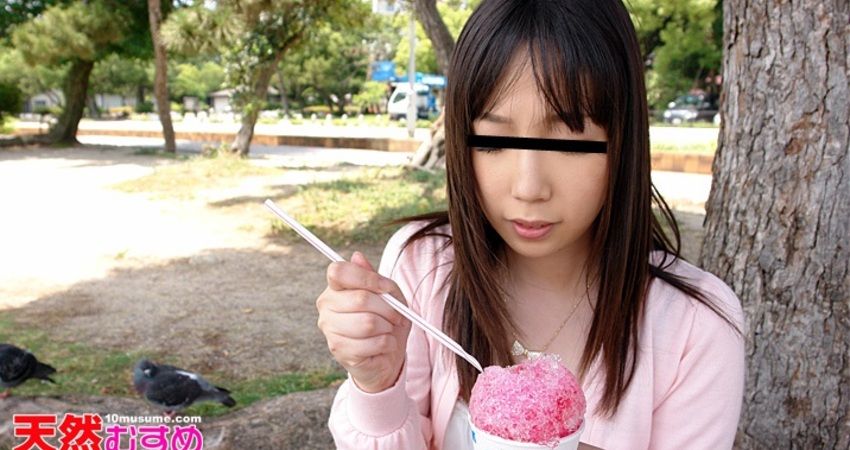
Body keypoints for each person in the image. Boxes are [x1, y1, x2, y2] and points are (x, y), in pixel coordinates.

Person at [315, 0, 745, 448]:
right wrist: (378, 385)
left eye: (569, 141)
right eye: (494, 140)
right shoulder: (424, 266)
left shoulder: (696, 327)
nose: (528, 187)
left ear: (623, 140)